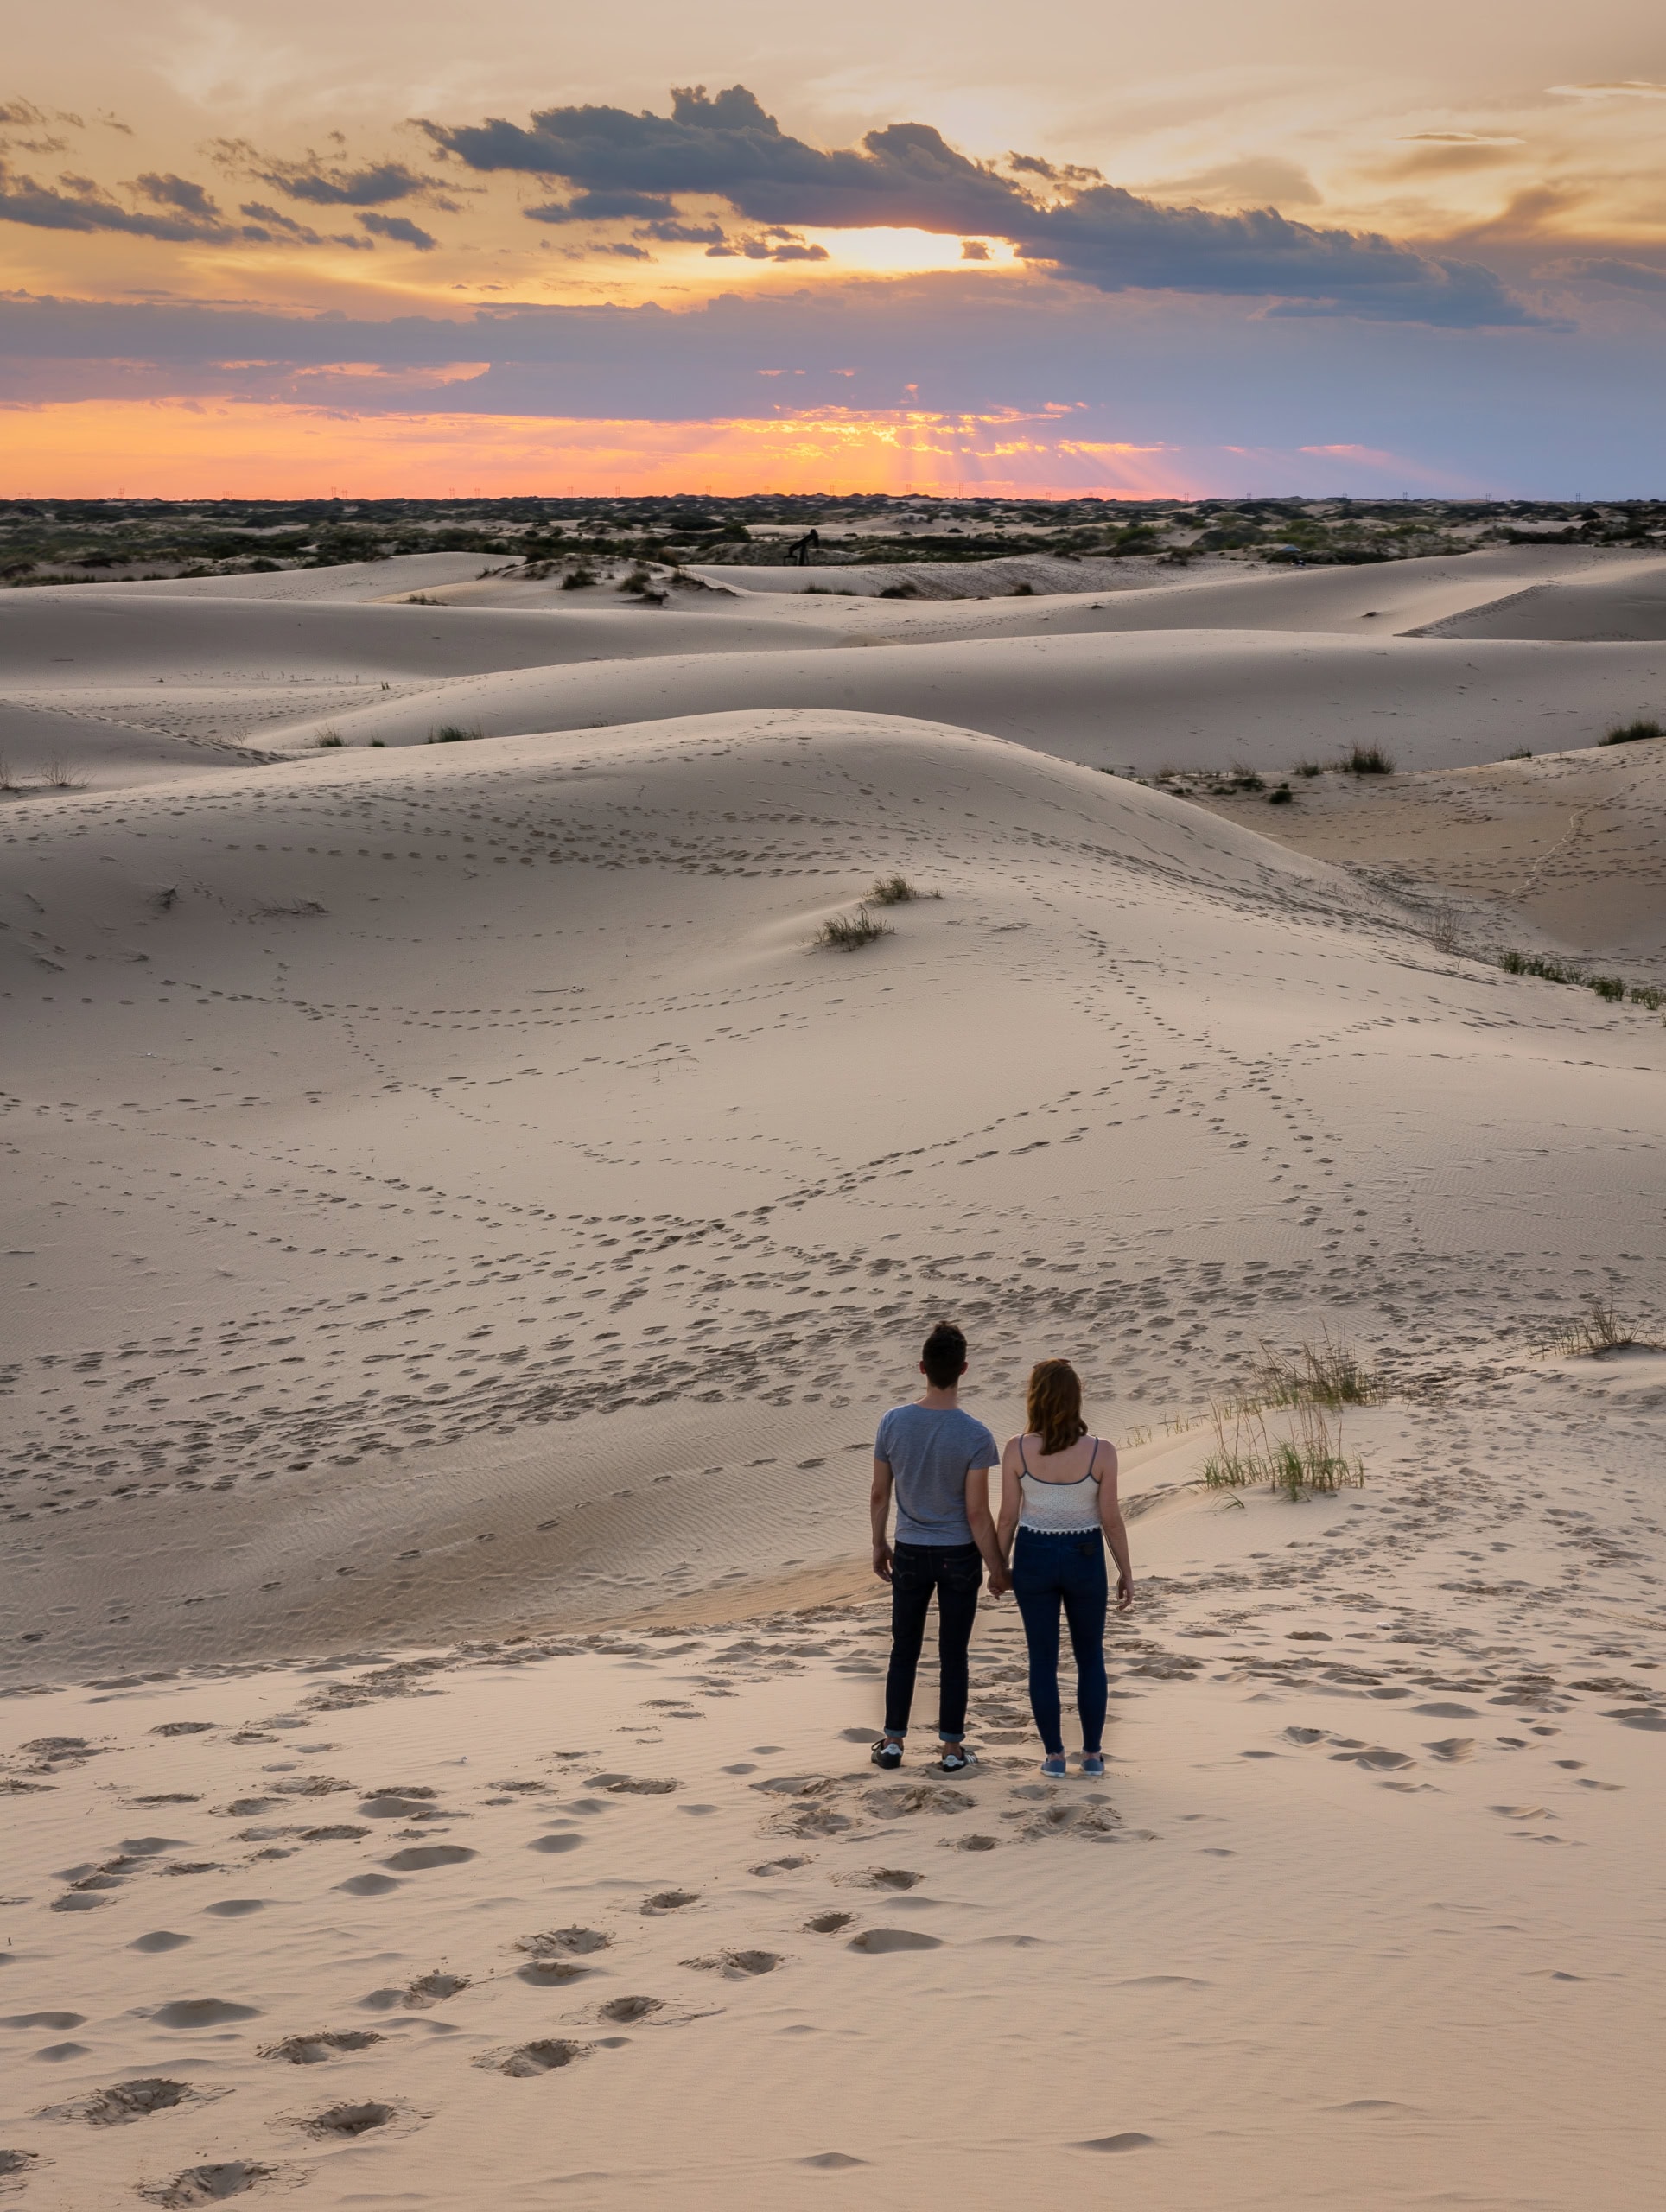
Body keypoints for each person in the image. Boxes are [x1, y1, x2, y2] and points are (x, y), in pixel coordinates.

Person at [868, 1321, 1006, 1774]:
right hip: (958, 1555)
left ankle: (892, 1742)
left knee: (903, 1648)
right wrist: (997, 1567)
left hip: (909, 1548)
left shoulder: (893, 1422)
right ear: (963, 1369)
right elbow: (977, 1513)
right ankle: (950, 1749)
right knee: (953, 1653)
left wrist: (878, 1543)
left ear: (922, 1368)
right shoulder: (975, 1435)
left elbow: (879, 1494)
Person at [995, 1358, 1134, 1779]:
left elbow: (1006, 1517)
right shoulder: (1101, 1451)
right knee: (1090, 1656)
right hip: (1085, 1555)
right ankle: (1091, 1756)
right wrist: (1126, 1570)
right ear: (1076, 1399)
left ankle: (1054, 1757)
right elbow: (1111, 1518)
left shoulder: (1017, 1448)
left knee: (1042, 1659)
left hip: (1034, 1556)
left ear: (1034, 1398)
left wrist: (998, 1567)